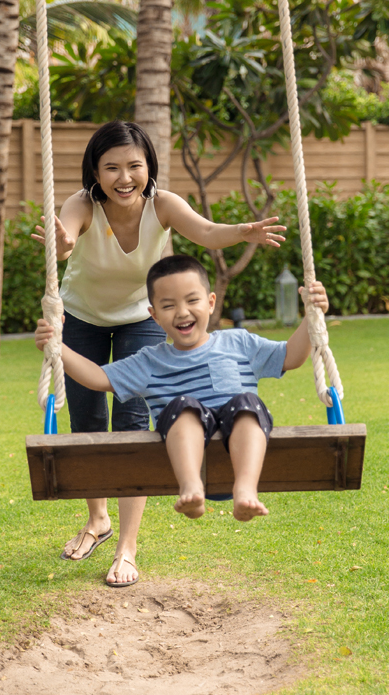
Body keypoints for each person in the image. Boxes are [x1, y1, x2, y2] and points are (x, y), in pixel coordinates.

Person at [31, 120, 287, 586]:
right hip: (83, 317)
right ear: (95, 170)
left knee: (132, 421)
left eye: (134, 166)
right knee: (87, 419)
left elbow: (206, 232)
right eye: (112, 168)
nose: (124, 177)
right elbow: (64, 240)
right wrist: (63, 245)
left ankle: (128, 544)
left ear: (149, 167)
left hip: (141, 318)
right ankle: (98, 520)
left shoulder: (163, 205)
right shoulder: (82, 204)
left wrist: (243, 230)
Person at [35, 254, 329, 536]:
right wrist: (58, 348)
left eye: (192, 300)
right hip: (187, 456)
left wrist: (310, 317)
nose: (182, 312)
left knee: (247, 405)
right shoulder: (150, 361)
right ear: (154, 316)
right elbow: (98, 377)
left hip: (239, 451)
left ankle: (246, 490)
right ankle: (191, 487)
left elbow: (290, 356)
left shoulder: (239, 343)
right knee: (183, 408)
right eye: (168, 305)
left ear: (211, 302)